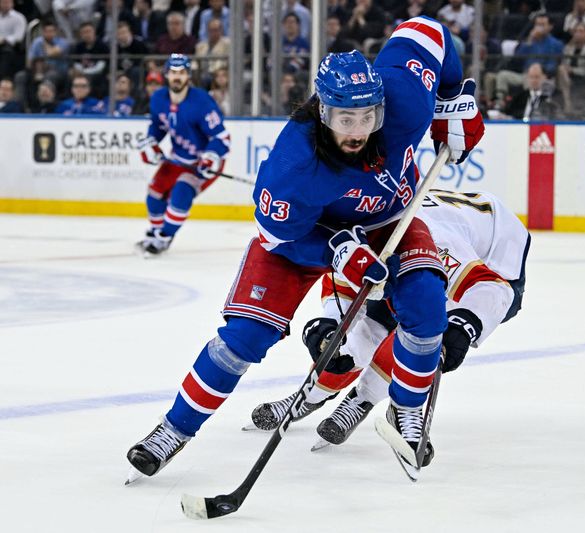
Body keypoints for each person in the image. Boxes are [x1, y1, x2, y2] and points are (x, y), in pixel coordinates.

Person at [126, 17, 485, 480]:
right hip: (302, 240)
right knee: (244, 340)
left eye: (368, 117)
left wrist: (454, 101)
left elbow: (427, 30)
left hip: (386, 222)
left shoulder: (405, 100)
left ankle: (407, 412)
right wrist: (337, 249)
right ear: (322, 112)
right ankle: (173, 430)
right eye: (344, 119)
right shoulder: (293, 165)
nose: (358, 131)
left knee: (426, 307)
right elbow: (277, 236)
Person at [249, 190, 530, 455]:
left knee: (419, 331)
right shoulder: (362, 235)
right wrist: (331, 326)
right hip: (415, 243)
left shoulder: (436, 245)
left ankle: (364, 399)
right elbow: (346, 292)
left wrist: (465, 326)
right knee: (369, 326)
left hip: (498, 259)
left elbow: (492, 289)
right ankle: (312, 393)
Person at [134, 54, 230, 256]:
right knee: (154, 194)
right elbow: (159, 127)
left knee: (181, 192)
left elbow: (222, 137)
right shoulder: (159, 99)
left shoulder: (202, 102)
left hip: (204, 162)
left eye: (182, 73)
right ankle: (155, 231)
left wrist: (211, 156)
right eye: (174, 73)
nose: (177, 77)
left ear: (188, 76)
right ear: (167, 74)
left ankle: (163, 238)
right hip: (178, 157)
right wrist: (151, 142)